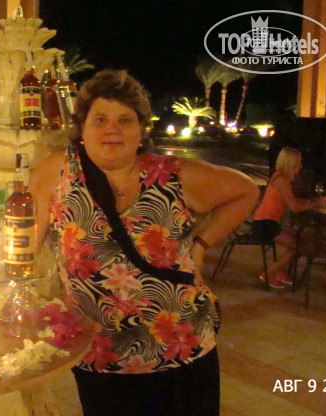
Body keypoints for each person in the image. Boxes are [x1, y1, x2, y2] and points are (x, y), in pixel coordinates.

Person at [30, 69, 259, 416]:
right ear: (82, 128)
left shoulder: (172, 174)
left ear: (141, 130)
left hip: (183, 348)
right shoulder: (56, 171)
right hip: (101, 354)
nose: (112, 129)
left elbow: (246, 191)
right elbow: (24, 244)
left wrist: (200, 245)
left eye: (125, 120)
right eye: (100, 119)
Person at [252, 147, 316, 289]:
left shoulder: (279, 176)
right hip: (265, 225)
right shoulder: (282, 180)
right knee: (297, 246)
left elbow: (290, 199)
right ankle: (268, 274)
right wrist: (314, 204)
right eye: (298, 162)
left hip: (266, 222)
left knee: (299, 236)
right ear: (289, 163)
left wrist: (307, 202)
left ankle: (280, 271)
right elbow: (294, 207)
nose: (300, 166)